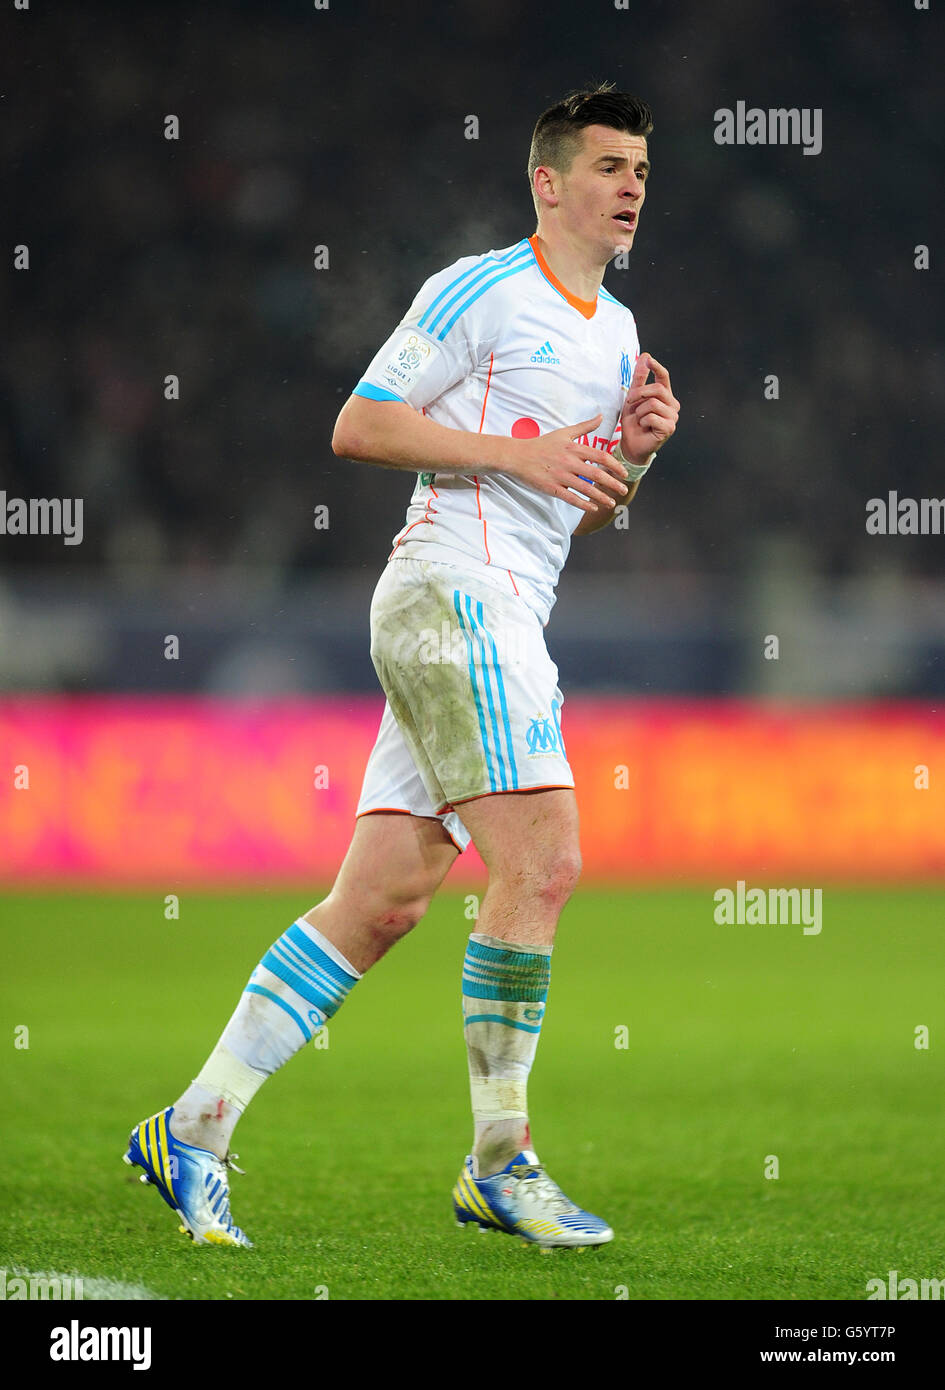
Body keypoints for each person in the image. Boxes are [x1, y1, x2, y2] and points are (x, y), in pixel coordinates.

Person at [124, 83, 679, 1250]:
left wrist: (626, 461)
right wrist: (519, 455)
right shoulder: (480, 289)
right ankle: (500, 1160)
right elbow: (362, 424)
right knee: (546, 859)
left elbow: (567, 508)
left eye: (640, 168)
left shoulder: (617, 335)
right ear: (547, 181)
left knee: (380, 903)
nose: (632, 186)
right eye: (611, 167)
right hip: (447, 594)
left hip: (505, 609)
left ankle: (195, 1125)